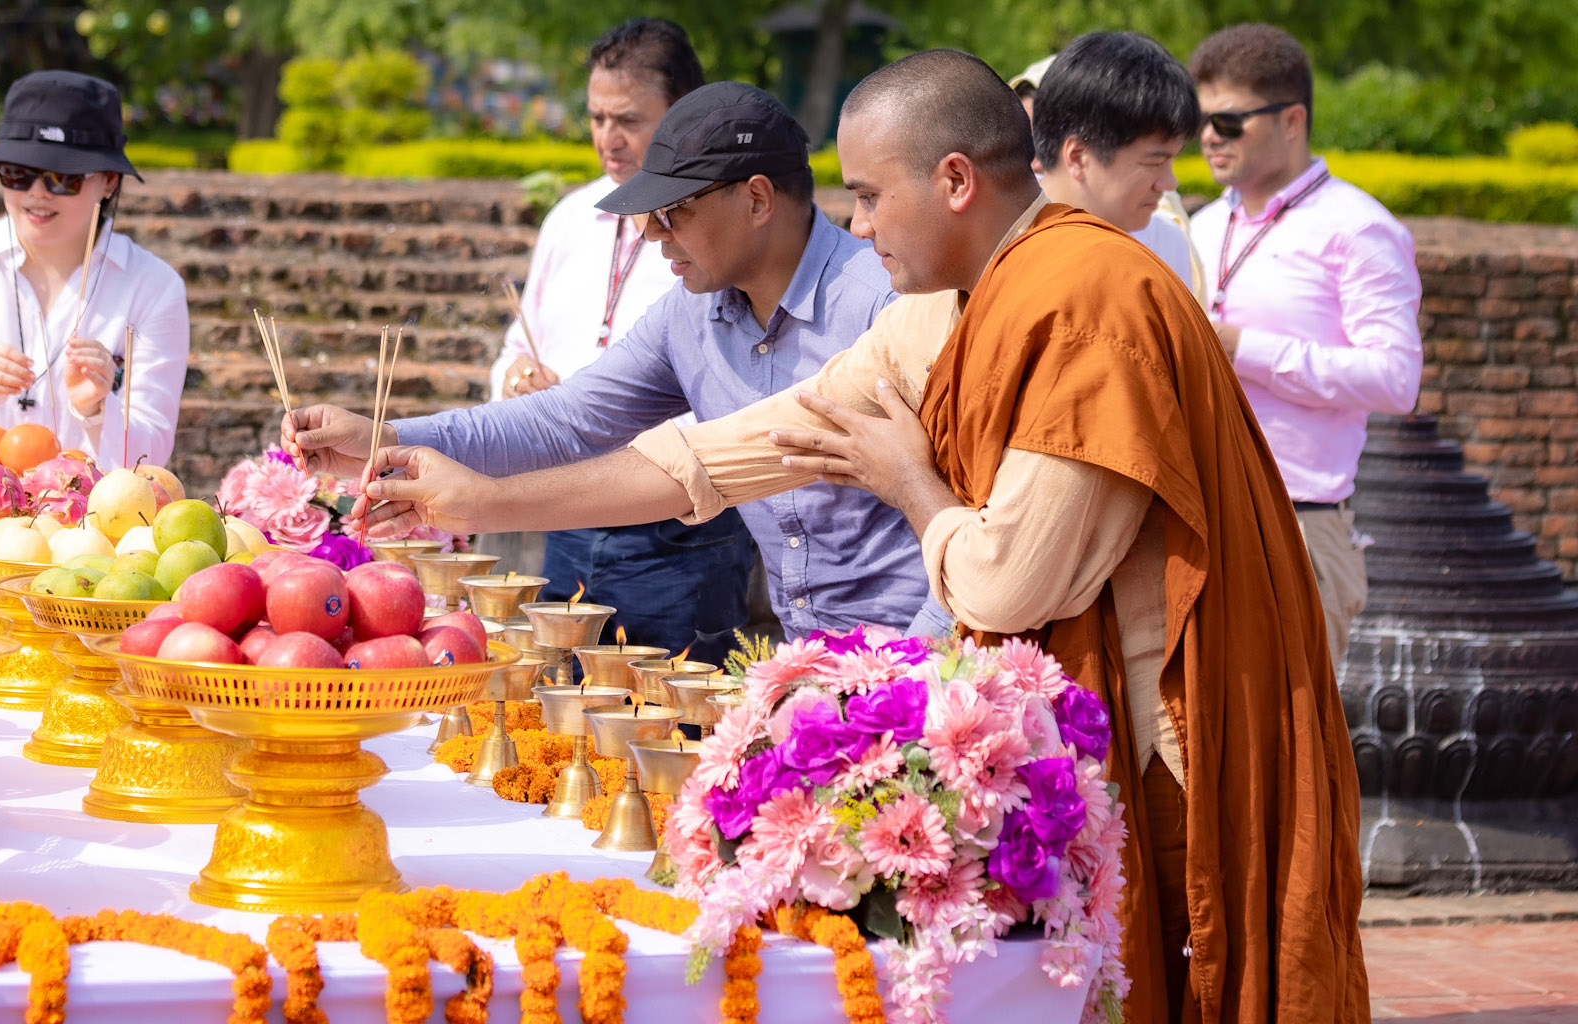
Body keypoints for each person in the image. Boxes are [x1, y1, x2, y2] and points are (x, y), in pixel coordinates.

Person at [353, 49, 1368, 1024]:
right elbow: (724, 453)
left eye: (870, 195)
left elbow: (1003, 582)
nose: (855, 222)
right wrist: (470, 500)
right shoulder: (943, 311)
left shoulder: (1083, 305)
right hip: (1075, 716)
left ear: (956, 181)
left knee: (1175, 980)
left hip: (1172, 729)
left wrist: (909, 482)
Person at [287, 82, 930, 641]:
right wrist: (389, 438)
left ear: (758, 201)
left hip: (923, 661)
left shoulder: (889, 307)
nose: (653, 235)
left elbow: (974, 519)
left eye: (675, 211)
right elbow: (568, 420)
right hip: (806, 658)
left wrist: (926, 675)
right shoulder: (693, 314)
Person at [475, 18, 756, 661]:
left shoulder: (721, 224)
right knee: (556, 726)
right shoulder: (570, 217)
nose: (609, 137)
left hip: (681, 531)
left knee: (675, 731)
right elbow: (518, 344)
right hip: (567, 511)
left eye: (627, 118)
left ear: (683, 112)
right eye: (597, 117)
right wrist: (518, 379)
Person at [1189, 23, 1422, 669]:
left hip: (1298, 524)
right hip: (1194, 519)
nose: (1209, 136)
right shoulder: (1198, 226)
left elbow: (1395, 380)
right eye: (1201, 118)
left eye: (1229, 121)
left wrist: (1246, 349)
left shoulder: (1359, 229)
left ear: (1291, 120)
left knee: (1292, 762)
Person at [0, 70, 189, 472]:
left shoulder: (154, 287)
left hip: (91, 529)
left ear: (109, 182)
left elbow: (150, 458)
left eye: (63, 177)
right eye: (17, 173)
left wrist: (97, 409)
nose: (37, 192)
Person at [1017, 39, 1205, 300]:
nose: (1169, 182)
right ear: (1079, 156)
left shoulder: (1166, 245)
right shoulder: (998, 243)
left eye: (1172, 160)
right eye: (1154, 163)